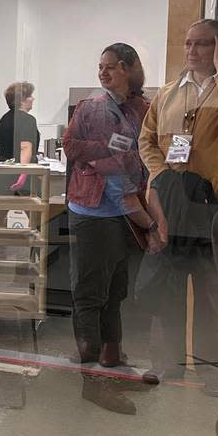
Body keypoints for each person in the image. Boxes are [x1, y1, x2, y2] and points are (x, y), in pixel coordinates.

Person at [137, 20, 218, 395]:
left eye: (203, 44)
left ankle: (214, 371)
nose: (191, 51)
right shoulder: (170, 92)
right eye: (188, 43)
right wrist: (161, 178)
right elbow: (147, 140)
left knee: (212, 289)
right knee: (169, 284)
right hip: (175, 202)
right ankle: (167, 361)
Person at [63, 43, 160, 414]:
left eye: (111, 67)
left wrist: (112, 157)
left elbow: (140, 157)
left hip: (123, 211)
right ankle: (94, 383)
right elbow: (72, 145)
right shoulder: (91, 107)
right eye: (100, 67)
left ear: (130, 68)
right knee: (90, 296)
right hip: (92, 211)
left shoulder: (142, 108)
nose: (102, 73)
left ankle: (113, 363)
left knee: (116, 292)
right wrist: (108, 155)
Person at [0, 81, 40, 193]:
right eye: (30, 96)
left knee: (3, 208)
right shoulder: (28, 120)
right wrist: (23, 176)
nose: (33, 99)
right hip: (19, 177)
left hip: (2, 174)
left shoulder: (4, 119)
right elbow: (25, 147)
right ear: (21, 100)